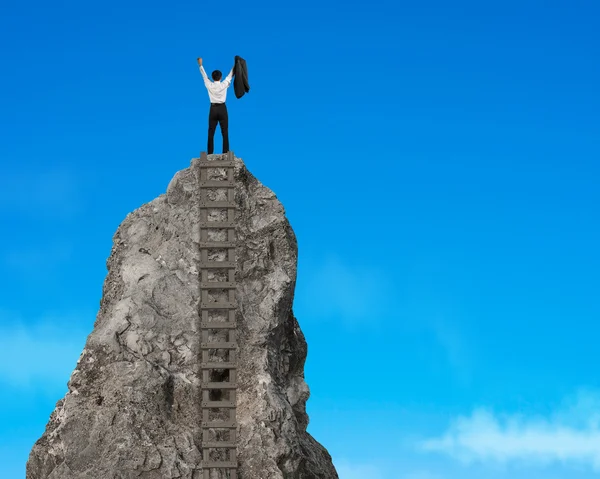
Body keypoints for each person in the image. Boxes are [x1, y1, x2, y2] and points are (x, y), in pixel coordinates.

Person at [197, 57, 234, 154]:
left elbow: (204, 76)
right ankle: (225, 152)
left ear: (212, 77)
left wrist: (200, 65)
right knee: (224, 131)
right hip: (222, 108)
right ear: (220, 77)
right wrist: (235, 65)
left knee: (211, 131)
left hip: (213, 109)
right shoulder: (223, 84)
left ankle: (210, 153)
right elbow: (230, 75)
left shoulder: (209, 85)